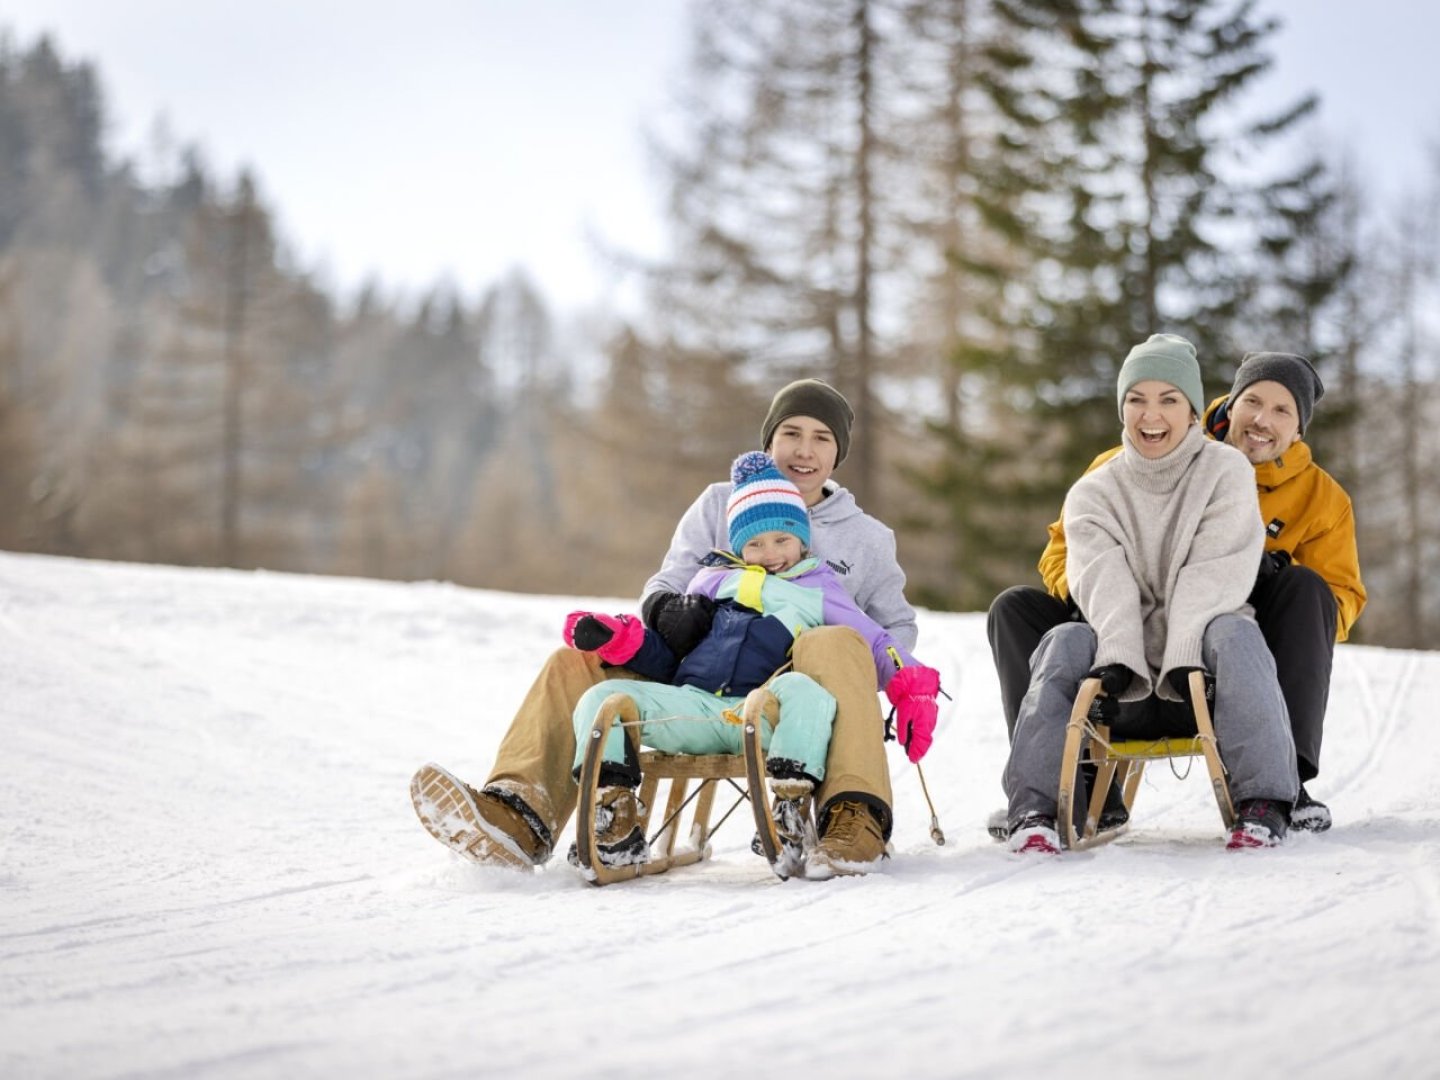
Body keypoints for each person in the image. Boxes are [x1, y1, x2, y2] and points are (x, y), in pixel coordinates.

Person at [411, 378, 922, 876]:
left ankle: (855, 816)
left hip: (798, 693)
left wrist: (895, 677)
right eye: (791, 433)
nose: (803, 450)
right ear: (769, 440)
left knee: (832, 640)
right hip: (698, 676)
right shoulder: (720, 504)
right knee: (576, 661)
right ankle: (519, 814)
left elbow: (894, 626)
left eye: (821, 437)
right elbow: (668, 580)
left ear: (838, 454)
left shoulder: (866, 539)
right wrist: (665, 610)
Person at [988, 349, 1364, 835]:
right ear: (1227, 404)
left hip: (1237, 636)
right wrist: (1092, 598)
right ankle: (1071, 783)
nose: (1261, 420)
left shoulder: (1321, 497)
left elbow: (1342, 595)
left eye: (1281, 411)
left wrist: (1254, 581)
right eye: (1252, 402)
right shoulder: (1133, 459)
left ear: (1298, 430)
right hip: (1124, 623)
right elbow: (1061, 549)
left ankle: (1282, 776)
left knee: (1303, 588)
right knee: (1014, 608)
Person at [560, 451, 940, 878]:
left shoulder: (818, 588)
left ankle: (790, 806)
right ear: (739, 546)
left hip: (762, 711)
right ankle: (614, 814)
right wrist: (622, 639)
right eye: (755, 543)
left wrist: (911, 684)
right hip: (692, 707)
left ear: (802, 539)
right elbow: (669, 651)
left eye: (782, 540)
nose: (770, 553)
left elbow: (873, 640)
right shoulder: (711, 581)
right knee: (603, 698)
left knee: (809, 694)